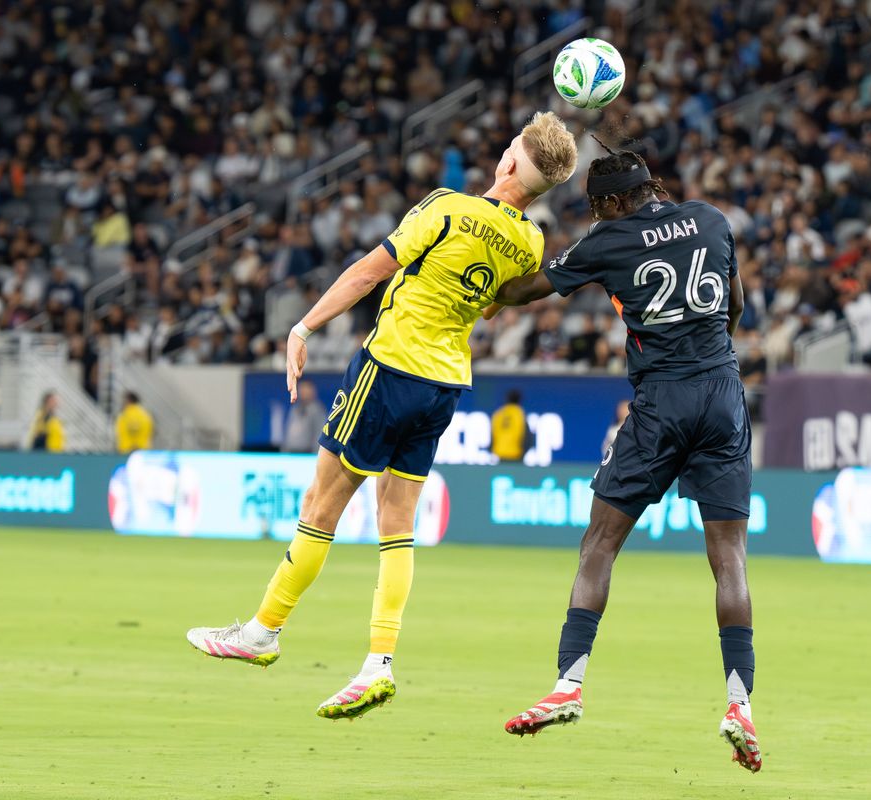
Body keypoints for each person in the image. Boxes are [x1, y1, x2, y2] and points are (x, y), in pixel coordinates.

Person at [185, 112, 578, 720]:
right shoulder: (530, 243)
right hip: (445, 383)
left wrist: (304, 324)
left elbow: (371, 271)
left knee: (321, 507)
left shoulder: (449, 207)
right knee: (397, 523)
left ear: (507, 163)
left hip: (390, 368)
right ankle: (378, 663)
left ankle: (263, 632)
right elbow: (495, 308)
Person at [486, 146, 761, 772]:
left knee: (600, 543)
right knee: (730, 560)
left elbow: (527, 289)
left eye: (596, 206)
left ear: (610, 202)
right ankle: (739, 703)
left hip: (662, 401)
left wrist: (482, 272)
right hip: (722, 392)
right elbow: (736, 308)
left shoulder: (607, 240)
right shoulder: (713, 219)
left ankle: (569, 685)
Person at [281, 380, 325, 453]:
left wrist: (315, 455)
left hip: (307, 454)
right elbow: (288, 433)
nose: (303, 392)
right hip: (291, 453)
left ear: (313, 392)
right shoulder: (295, 409)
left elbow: (319, 434)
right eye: (301, 389)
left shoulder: (317, 410)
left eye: (306, 390)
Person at [490, 389, 527, 462]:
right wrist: (523, 453)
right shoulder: (519, 413)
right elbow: (526, 436)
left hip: (500, 453)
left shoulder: (499, 413)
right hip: (515, 454)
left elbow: (492, 434)